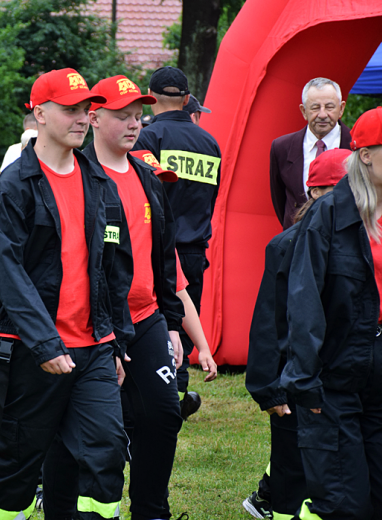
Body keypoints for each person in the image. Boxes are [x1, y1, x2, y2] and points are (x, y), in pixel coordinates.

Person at [0, 67, 134, 520]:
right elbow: (4, 271)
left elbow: (113, 268)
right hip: (34, 351)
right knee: (19, 462)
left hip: (92, 350)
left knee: (107, 453)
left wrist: (115, 341)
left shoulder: (98, 181)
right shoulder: (13, 186)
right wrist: (45, 342)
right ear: (40, 113)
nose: (82, 117)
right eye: (70, 109)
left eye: (86, 108)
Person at [280, 107, 382, 520]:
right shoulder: (327, 215)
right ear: (367, 154)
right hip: (332, 377)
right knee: (345, 505)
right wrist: (305, 384)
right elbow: (303, 303)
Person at [79, 74, 185, 519]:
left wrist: (173, 323)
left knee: (164, 414)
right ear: (94, 117)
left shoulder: (148, 177)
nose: (133, 124)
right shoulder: (79, 175)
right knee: (103, 429)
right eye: (122, 116)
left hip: (146, 319)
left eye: (138, 116)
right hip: (97, 325)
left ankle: (151, 509)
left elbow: (165, 257)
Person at [243, 149, 350, 520]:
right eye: (337, 190)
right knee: (293, 472)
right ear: (314, 193)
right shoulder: (286, 246)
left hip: (340, 380)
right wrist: (267, 387)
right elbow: (268, 321)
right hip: (294, 383)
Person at [132, 66, 222, 420]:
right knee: (184, 322)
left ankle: (166, 395)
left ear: (150, 97)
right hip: (195, 248)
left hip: (160, 249)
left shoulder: (148, 138)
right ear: (187, 100)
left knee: (160, 324)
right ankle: (179, 391)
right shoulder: (209, 142)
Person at [269, 77, 352, 230]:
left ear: (341, 109)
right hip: (296, 240)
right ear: (303, 111)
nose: (322, 114)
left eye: (329, 107)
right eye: (315, 107)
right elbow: (280, 200)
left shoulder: (357, 147)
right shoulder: (281, 147)